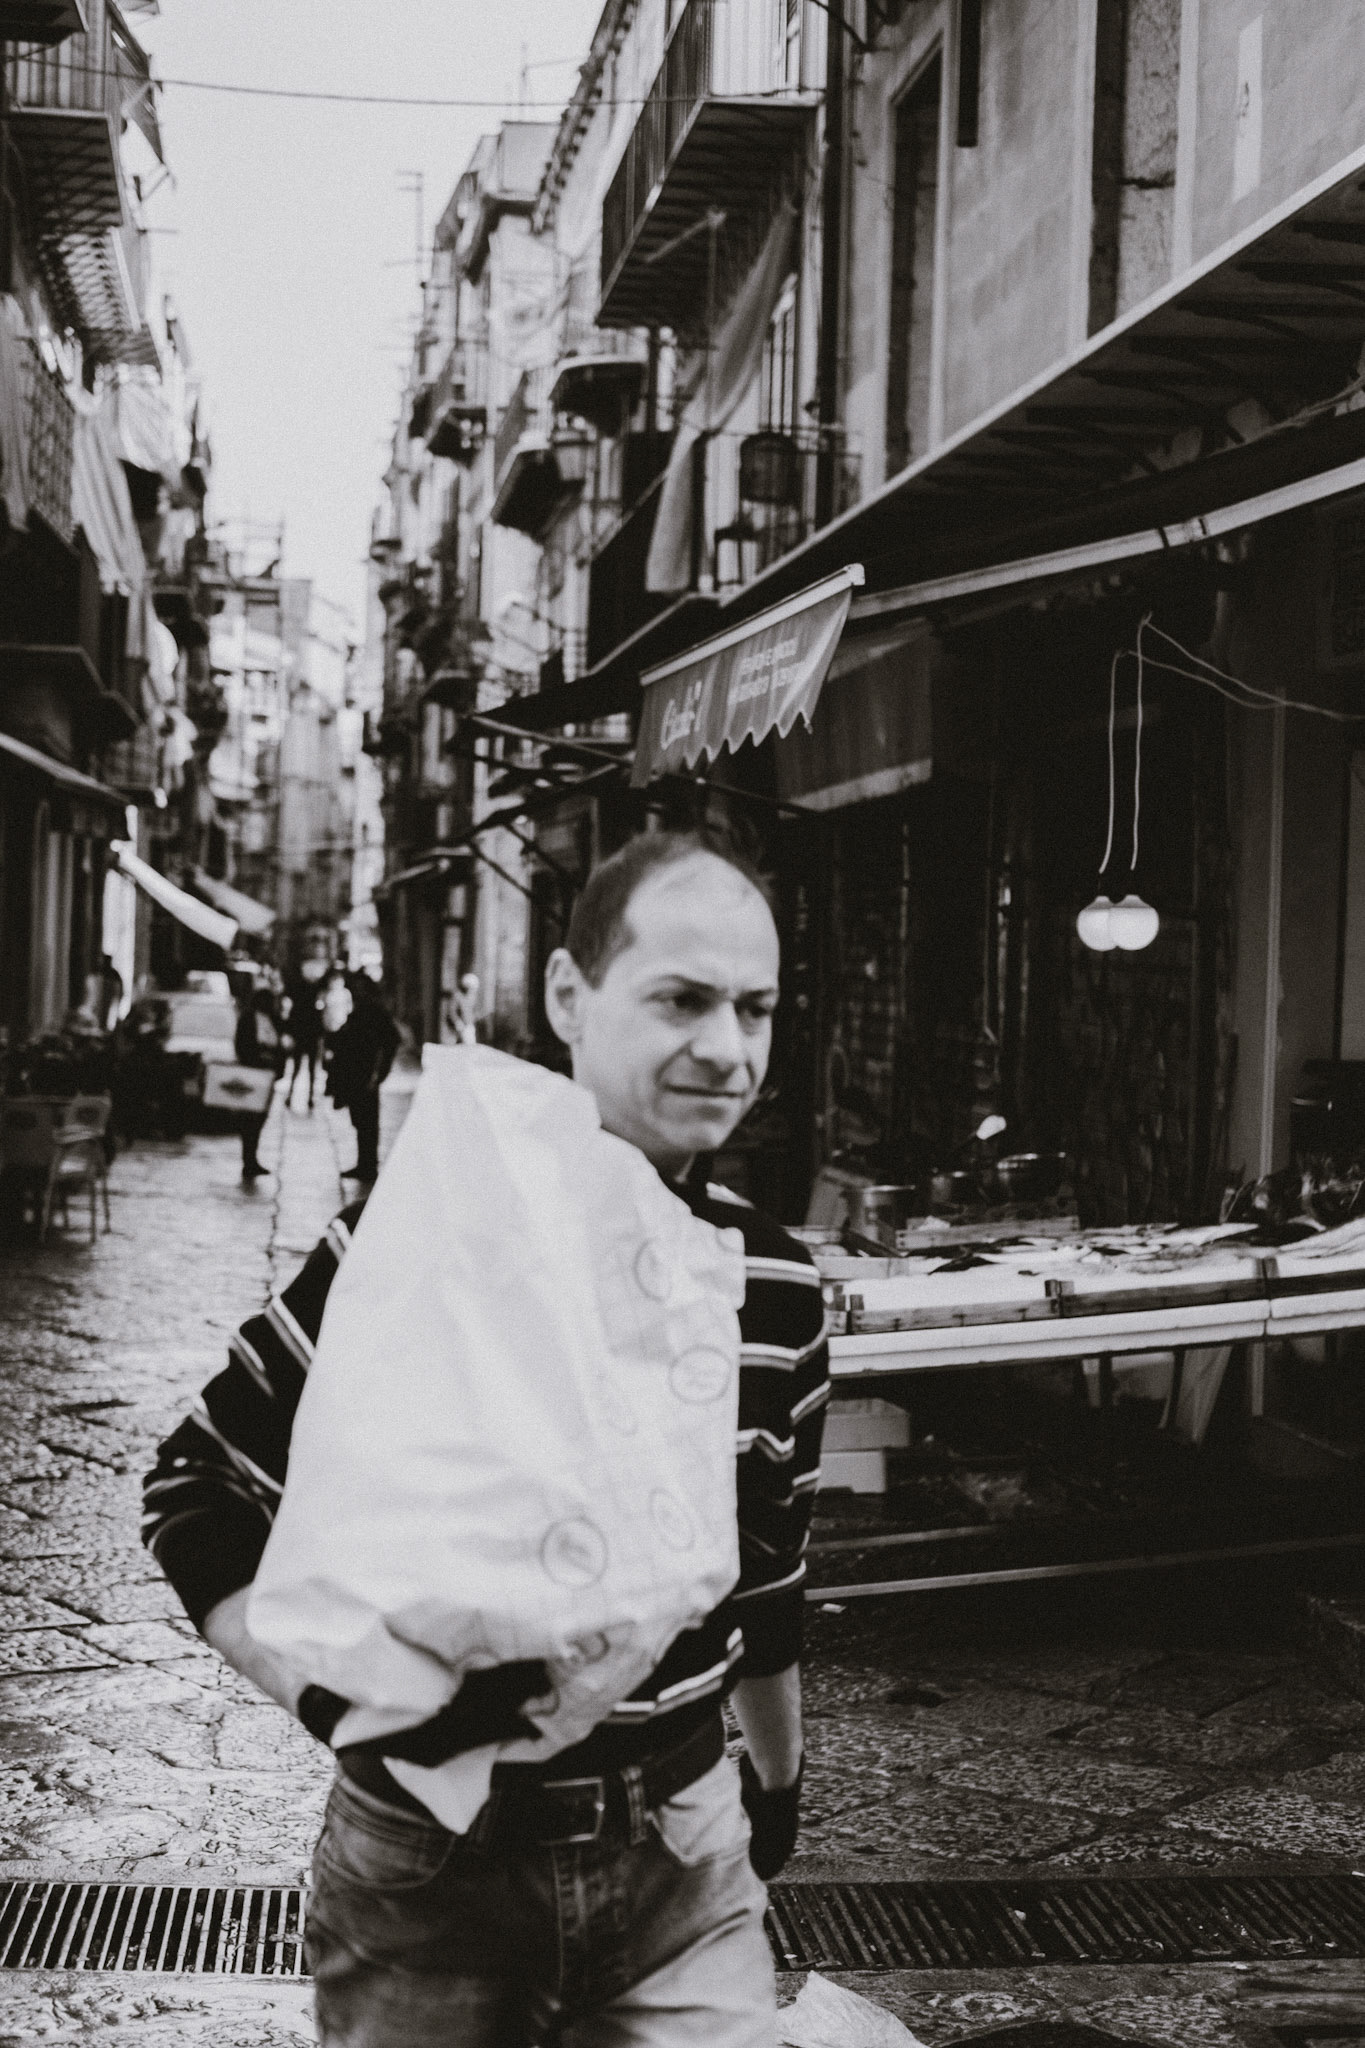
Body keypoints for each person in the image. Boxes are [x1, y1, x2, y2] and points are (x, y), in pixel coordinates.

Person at [141, 830, 829, 2047]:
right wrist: (345, 1703)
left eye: (756, 1007)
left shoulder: (771, 1284)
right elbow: (197, 1486)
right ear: (569, 994)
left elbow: (766, 1573)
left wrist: (774, 1783)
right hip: (429, 1870)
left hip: (683, 1849)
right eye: (682, 998)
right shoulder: (422, 1247)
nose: (728, 1047)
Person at [326, 973, 399, 1183]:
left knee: (367, 1121)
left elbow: (390, 1040)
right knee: (360, 1120)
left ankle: (368, 1165)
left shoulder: (374, 1011)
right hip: (355, 1073)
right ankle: (364, 1163)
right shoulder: (359, 1010)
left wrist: (379, 1073)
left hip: (366, 1073)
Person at [234, 985, 285, 1182]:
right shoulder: (248, 1019)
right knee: (250, 1118)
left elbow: (281, 1045)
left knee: (260, 1117)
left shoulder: (274, 1020)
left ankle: (252, 1158)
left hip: (268, 1075)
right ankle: (248, 1159)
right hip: (254, 1073)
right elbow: (242, 1044)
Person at [282, 962, 326, 1111]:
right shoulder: (313, 991)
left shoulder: (300, 991)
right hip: (308, 1034)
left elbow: (293, 1015)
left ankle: (296, 1096)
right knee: (308, 1068)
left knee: (300, 1067)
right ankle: (307, 1097)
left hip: (303, 1034)